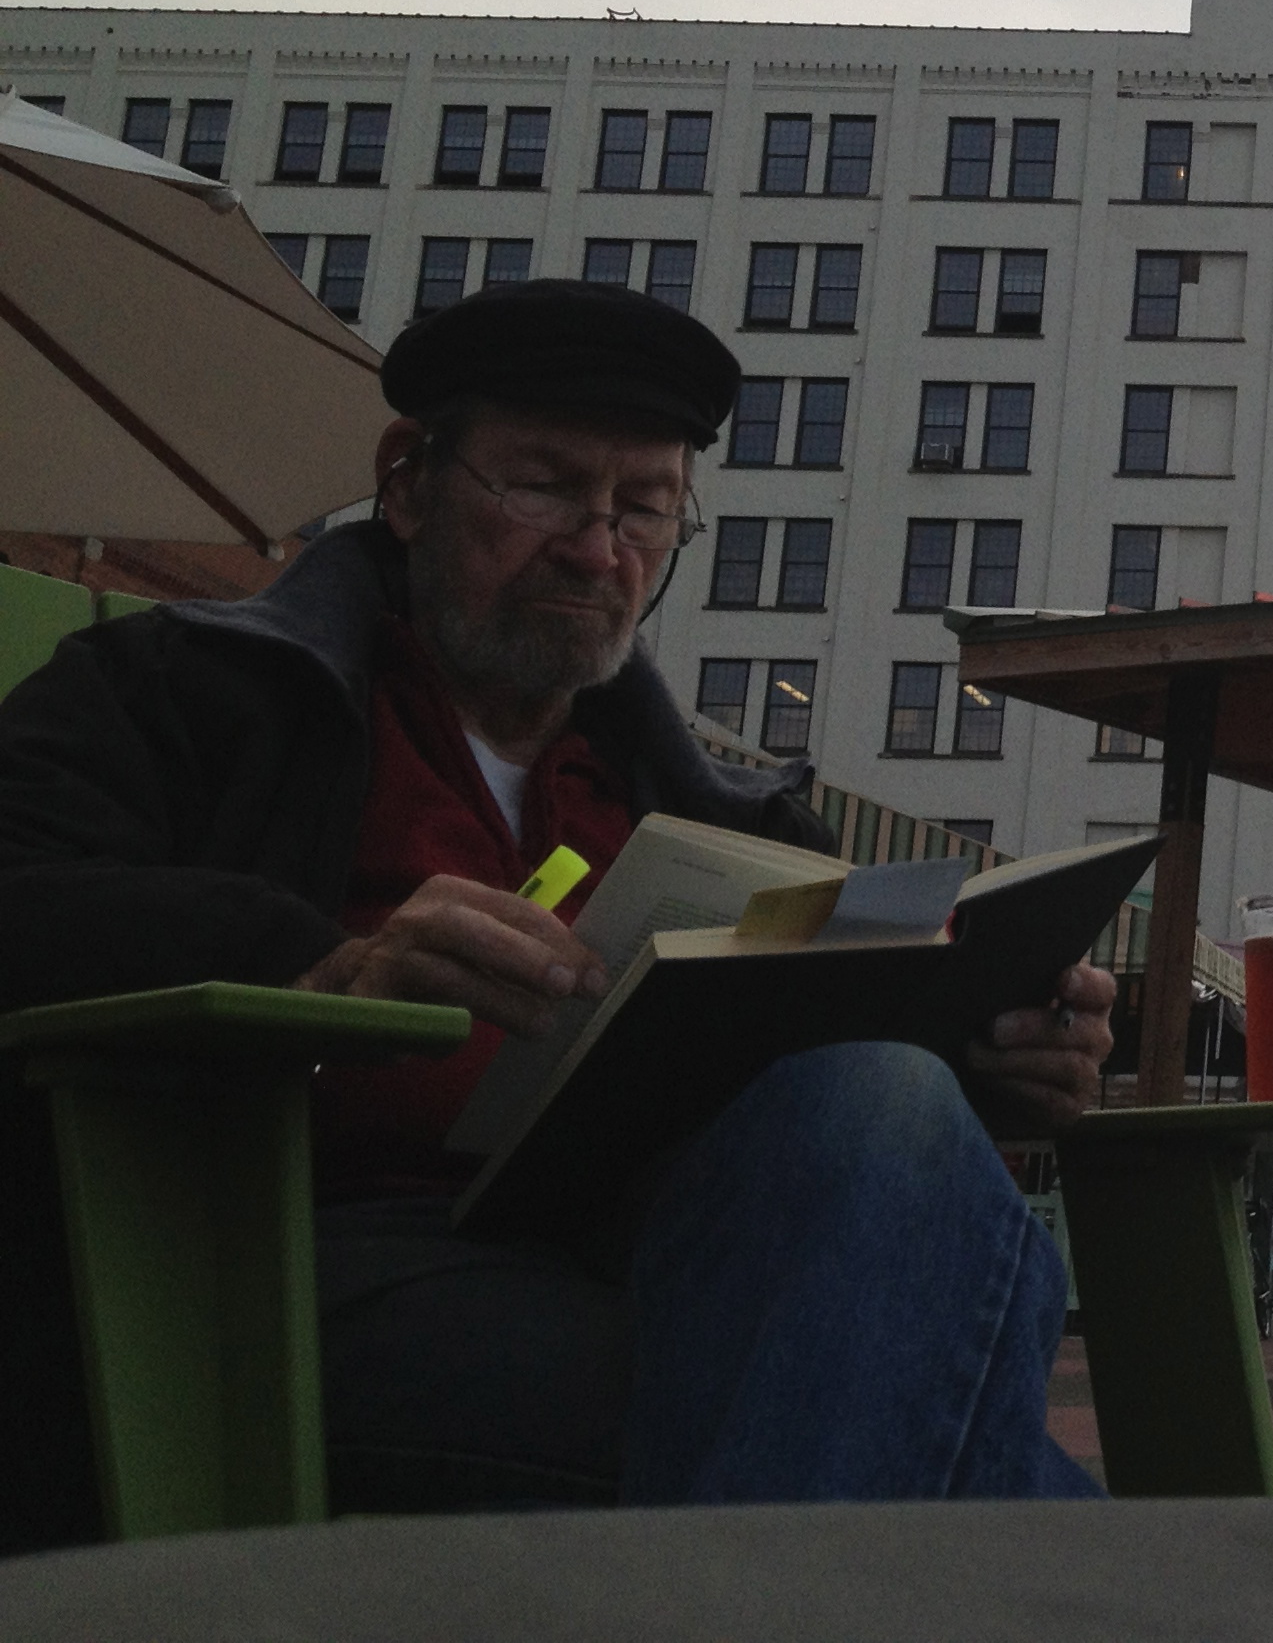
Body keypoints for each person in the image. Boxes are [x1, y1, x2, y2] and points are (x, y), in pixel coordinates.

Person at [0, 281, 1115, 1542]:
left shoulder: (734, 824)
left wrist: (996, 1060)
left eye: (645, 508)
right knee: (1002, 1486)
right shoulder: (183, 692)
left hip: (657, 1258)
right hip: (286, 1259)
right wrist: (320, 966)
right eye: (542, 488)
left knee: (887, 1113)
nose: (599, 551)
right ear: (408, 484)